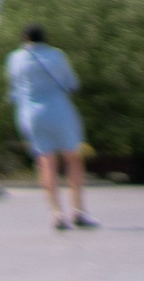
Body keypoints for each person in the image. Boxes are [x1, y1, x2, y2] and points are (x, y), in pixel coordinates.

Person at [8, 22, 95, 230]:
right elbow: (72, 83)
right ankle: (78, 211)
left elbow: (14, 89)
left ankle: (56, 214)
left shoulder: (15, 58)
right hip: (59, 110)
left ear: (25, 39)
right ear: (45, 38)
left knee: (46, 162)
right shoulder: (57, 55)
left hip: (30, 114)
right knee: (73, 158)